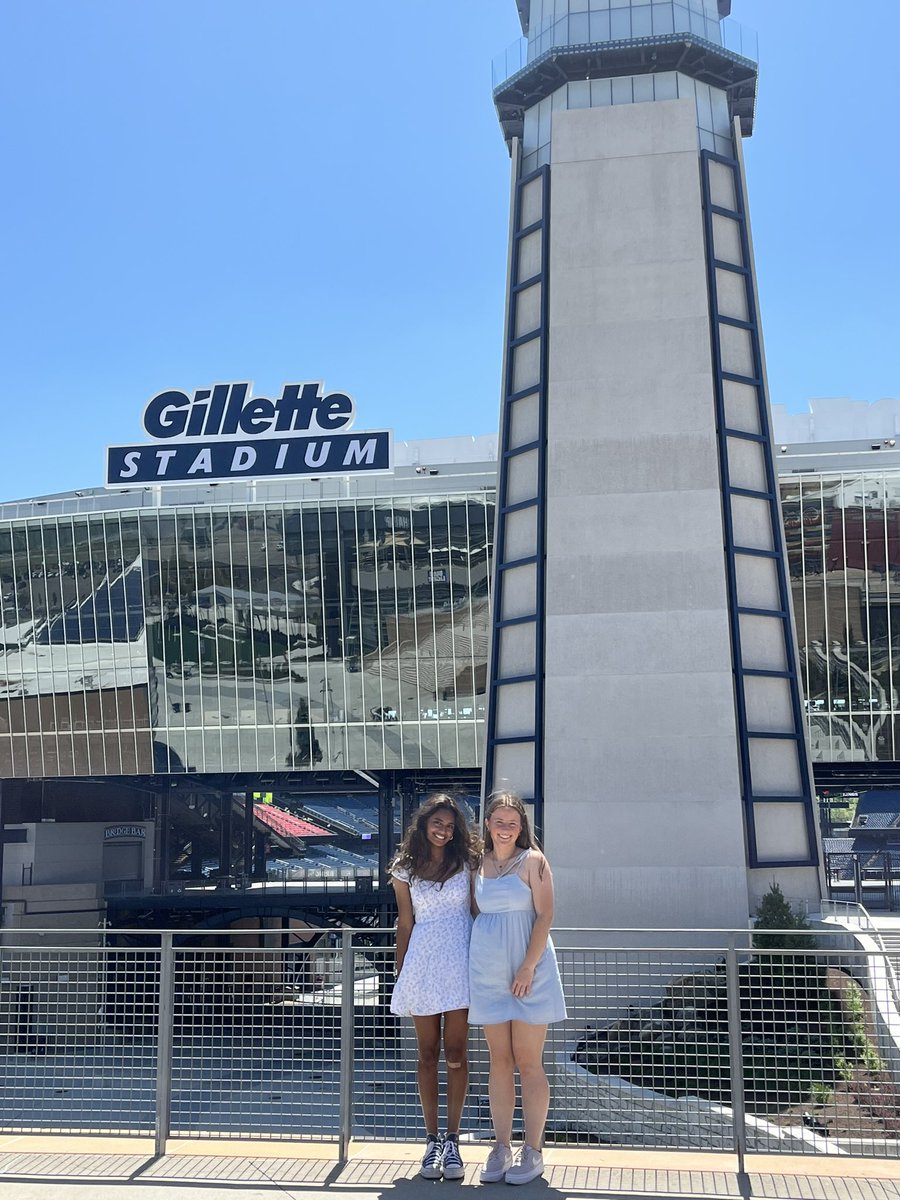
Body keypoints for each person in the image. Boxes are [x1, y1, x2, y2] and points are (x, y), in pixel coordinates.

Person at [468, 792, 567, 1185]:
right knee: (498, 1062)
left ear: (522, 827)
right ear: (488, 824)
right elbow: (478, 912)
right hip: (489, 971)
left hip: (530, 972)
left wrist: (528, 966)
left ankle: (534, 1150)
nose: (505, 828)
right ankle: (501, 1146)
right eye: (499, 821)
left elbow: (545, 915)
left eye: (513, 822)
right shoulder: (477, 863)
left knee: (529, 1061)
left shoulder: (535, 862)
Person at [391, 794, 481, 1180]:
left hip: (460, 960)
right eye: (437, 824)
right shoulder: (404, 868)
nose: (443, 831)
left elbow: (476, 911)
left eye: (449, 825)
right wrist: (401, 970)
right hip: (424, 964)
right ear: (423, 825)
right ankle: (430, 1141)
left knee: (456, 1053)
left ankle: (454, 1140)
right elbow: (405, 922)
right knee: (427, 1054)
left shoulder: (468, 862)